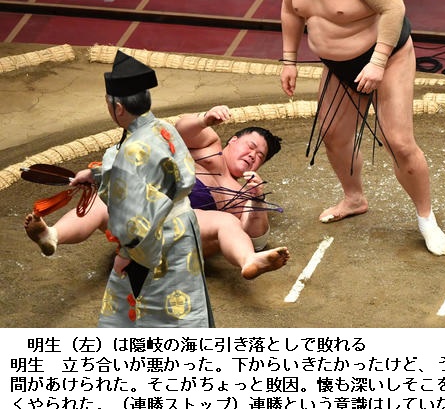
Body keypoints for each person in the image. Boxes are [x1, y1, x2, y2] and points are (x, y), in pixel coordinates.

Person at [279, 0, 445, 256]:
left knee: (399, 141)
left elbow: (393, 9)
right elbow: (290, 11)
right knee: (333, 135)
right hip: (338, 65)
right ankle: (354, 198)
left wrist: (378, 62)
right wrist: (289, 59)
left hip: (386, 57)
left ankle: (426, 218)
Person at [39, 50, 214, 327]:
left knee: (150, 312)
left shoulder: (131, 150)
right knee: (184, 307)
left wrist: (128, 255)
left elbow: (134, 218)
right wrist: (97, 175)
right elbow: (150, 170)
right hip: (182, 229)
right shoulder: (163, 128)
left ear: (119, 108)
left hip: (153, 241)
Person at [24, 105, 289, 282]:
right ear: (233, 140)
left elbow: (256, 237)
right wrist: (204, 119)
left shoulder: (244, 193)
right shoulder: (209, 145)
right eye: (251, 146)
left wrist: (257, 197)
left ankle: (248, 261)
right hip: (144, 214)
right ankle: (52, 235)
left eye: (260, 156)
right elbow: (181, 129)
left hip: (178, 236)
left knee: (227, 221)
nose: (253, 155)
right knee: (106, 201)